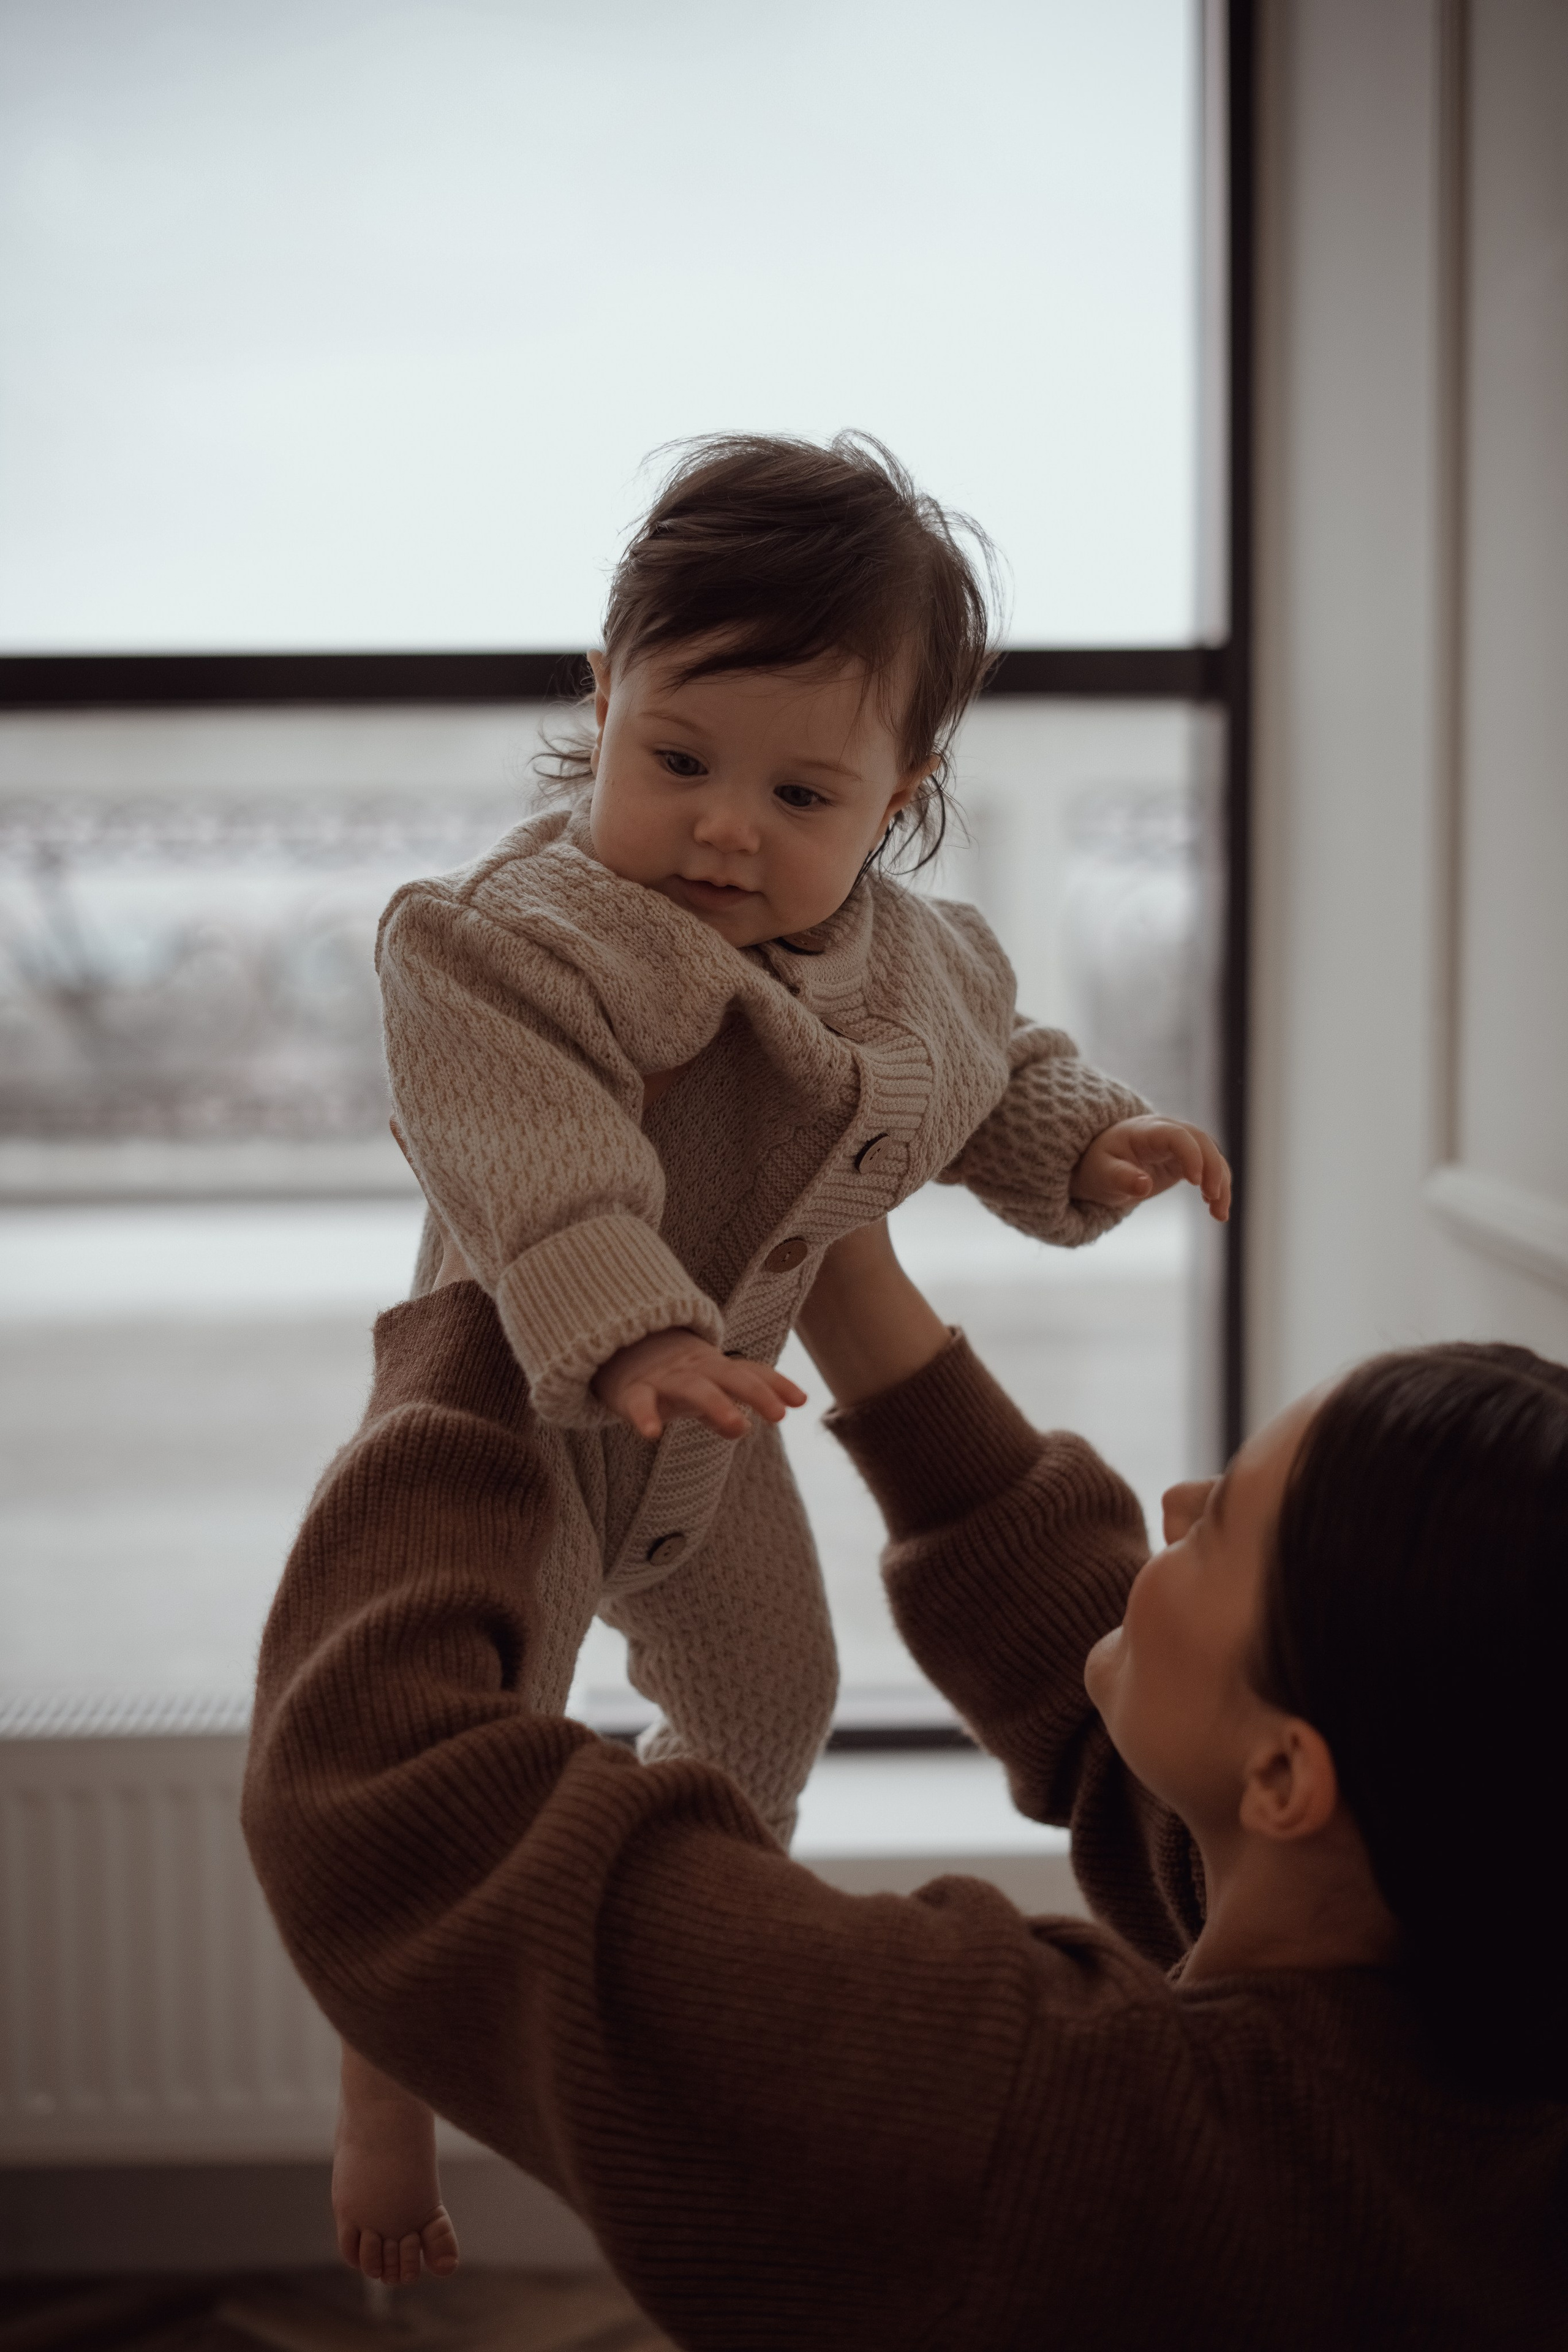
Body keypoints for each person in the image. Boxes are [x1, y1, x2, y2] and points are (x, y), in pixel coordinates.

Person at [336, 430, 1231, 2275]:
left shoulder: (912, 956)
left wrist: (1087, 1142)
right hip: (523, 1414)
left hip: (716, 1423)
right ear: (603, 697)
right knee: (475, 1753)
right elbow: (539, 1161)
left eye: (802, 792)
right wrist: (637, 1327)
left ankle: (677, 1987)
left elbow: (984, 1067)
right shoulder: (512, 943)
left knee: (771, 1698)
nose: (726, 829)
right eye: (677, 761)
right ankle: (384, 2093)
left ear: (902, 794)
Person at [243, 1220, 1568, 2346]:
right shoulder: (1460, 2004)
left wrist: (518, 1260)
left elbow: (385, 1802)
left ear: (1284, 1775)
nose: (1172, 1503)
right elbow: (1112, 1702)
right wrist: (838, 1256)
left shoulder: (1027, 2119)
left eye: (1221, 1527)